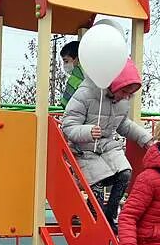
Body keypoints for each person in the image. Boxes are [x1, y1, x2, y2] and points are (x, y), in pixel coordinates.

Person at [62, 58, 154, 233]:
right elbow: (69, 126)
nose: (126, 97)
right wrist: (87, 131)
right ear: (114, 84)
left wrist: (145, 139)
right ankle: (95, 214)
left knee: (125, 173)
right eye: (125, 92)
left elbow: (122, 124)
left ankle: (110, 214)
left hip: (106, 146)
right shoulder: (85, 93)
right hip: (84, 149)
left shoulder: (121, 101)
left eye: (130, 94)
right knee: (96, 182)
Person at [60, 41, 84, 109]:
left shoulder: (75, 78)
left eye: (66, 61)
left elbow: (65, 103)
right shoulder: (93, 72)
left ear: (77, 58)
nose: (64, 65)